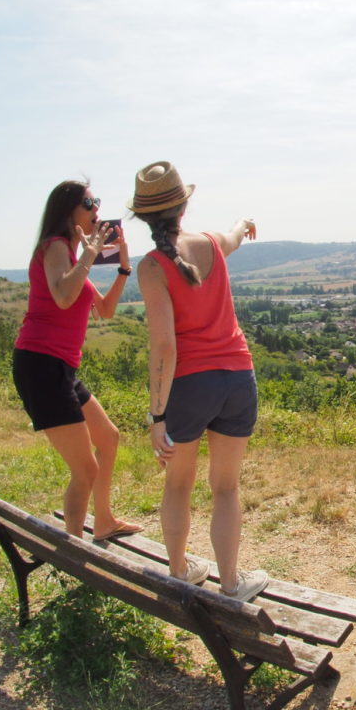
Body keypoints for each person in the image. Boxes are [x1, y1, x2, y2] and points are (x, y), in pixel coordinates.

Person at [131, 161, 268, 602]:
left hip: (190, 386)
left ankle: (179, 572)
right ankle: (231, 583)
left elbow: (164, 348)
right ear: (183, 205)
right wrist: (243, 222)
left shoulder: (152, 267)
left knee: (178, 485)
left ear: (144, 216)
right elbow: (231, 236)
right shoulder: (211, 243)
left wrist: (157, 414)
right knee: (226, 487)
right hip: (237, 378)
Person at [12, 180, 141, 540]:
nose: (97, 210)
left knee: (109, 438)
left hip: (60, 369)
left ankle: (104, 521)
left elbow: (106, 310)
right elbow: (63, 297)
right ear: (68, 210)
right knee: (85, 470)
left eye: (97, 202)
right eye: (90, 203)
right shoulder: (54, 247)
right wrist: (89, 254)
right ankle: (75, 552)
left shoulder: (72, 257)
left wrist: (123, 268)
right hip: (41, 366)